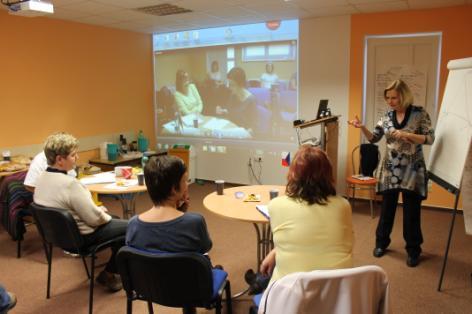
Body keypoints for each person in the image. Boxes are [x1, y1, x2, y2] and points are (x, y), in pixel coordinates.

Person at [348, 79, 435, 267]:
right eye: (387, 97)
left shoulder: (419, 114)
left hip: (413, 170)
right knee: (387, 210)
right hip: (390, 170)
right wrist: (361, 126)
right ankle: (381, 243)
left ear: (403, 95)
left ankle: (413, 250)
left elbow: (430, 139)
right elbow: (374, 138)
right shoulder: (386, 116)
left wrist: (408, 135)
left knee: (412, 213)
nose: (390, 101)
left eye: (394, 97)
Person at [33, 132, 127, 291]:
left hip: (60, 237)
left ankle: (112, 271)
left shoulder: (41, 179)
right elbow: (95, 219)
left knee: (115, 218)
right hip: (83, 237)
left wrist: (100, 213)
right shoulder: (70, 184)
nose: (76, 158)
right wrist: (100, 211)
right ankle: (109, 273)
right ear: (60, 159)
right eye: (73, 155)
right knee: (131, 226)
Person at [259, 145, 354, 284]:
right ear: (328, 174)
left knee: (265, 278)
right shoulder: (343, 205)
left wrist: (274, 252)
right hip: (337, 295)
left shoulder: (276, 205)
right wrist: (274, 253)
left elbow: (292, 239)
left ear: (293, 174)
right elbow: (342, 244)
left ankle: (257, 281)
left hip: (289, 296)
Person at [126, 155, 212, 255]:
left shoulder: (133, 224)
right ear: (174, 189)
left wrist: (179, 212)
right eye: (185, 181)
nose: (187, 185)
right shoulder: (195, 222)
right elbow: (206, 247)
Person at [217, 67, 257, 131]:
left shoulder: (251, 100)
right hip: (231, 129)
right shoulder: (233, 95)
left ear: (241, 84)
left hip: (242, 134)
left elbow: (253, 126)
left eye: (232, 85)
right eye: (229, 84)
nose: (229, 87)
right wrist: (223, 111)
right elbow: (230, 111)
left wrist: (249, 130)